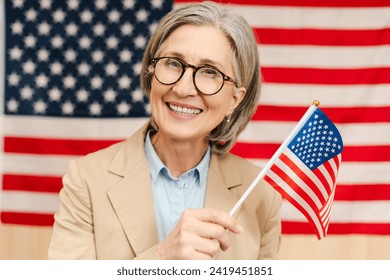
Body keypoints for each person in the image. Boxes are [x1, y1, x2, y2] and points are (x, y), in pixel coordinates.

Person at [48, 1, 282, 260]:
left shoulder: (261, 195)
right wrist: (161, 259)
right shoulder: (87, 180)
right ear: (151, 72)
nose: (183, 89)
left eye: (209, 72)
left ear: (234, 101)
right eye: (172, 63)